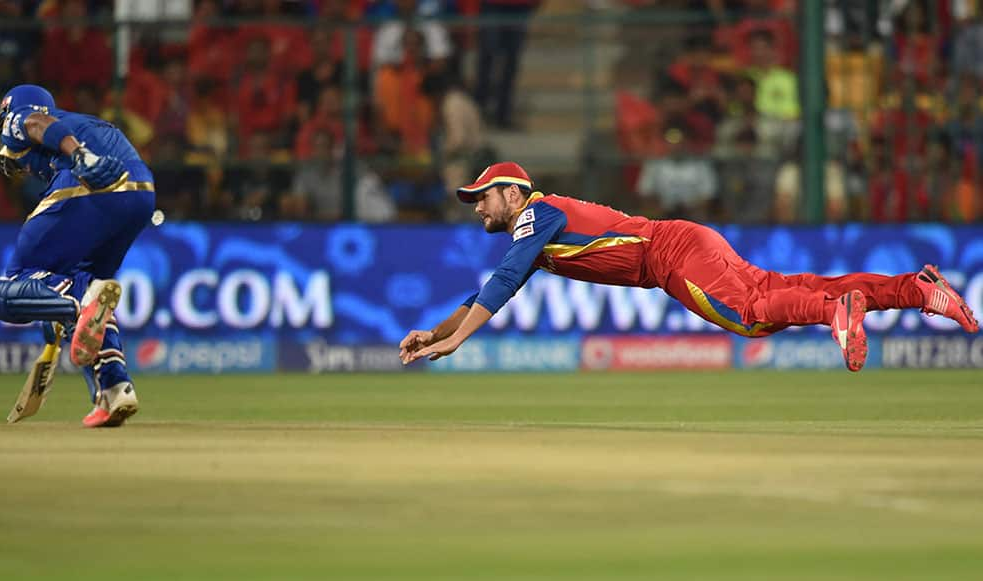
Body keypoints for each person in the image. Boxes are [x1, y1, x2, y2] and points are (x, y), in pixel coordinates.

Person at [399, 162, 980, 371]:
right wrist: (436, 333)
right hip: (683, 242)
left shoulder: (536, 213)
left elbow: (500, 285)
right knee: (789, 288)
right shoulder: (539, 225)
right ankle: (918, 290)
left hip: (672, 255)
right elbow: (487, 290)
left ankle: (837, 310)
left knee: (753, 318)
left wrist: (458, 345)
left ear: (512, 191)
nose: (477, 207)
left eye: (482, 196)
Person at [0, 84, 155, 427]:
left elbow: (35, 123)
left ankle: (76, 306)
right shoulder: (83, 121)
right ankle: (114, 389)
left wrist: (79, 155)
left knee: (6, 286)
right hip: (141, 192)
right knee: (84, 286)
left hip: (89, 182)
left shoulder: (22, 119)